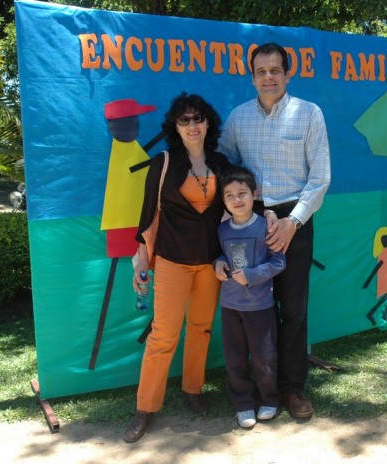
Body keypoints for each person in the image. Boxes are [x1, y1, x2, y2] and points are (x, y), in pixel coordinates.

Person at [218, 42, 331, 419]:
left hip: (294, 218)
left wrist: (292, 222)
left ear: (287, 74)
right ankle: (255, 387)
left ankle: (292, 388)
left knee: (293, 308)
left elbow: (320, 178)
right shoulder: (238, 118)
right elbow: (225, 169)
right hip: (248, 222)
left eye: (275, 70)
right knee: (250, 305)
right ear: (252, 77)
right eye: (261, 71)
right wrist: (244, 209)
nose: (268, 77)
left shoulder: (309, 114)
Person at [124, 92, 231, 444]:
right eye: (184, 120)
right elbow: (147, 216)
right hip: (172, 261)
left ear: (208, 123)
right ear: (176, 126)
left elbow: (234, 209)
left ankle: (193, 388)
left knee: (201, 328)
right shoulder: (164, 162)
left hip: (210, 262)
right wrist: (140, 262)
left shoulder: (221, 163)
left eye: (198, 118)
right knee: (163, 335)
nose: (192, 125)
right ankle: (145, 407)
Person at [213, 166, 286, 428]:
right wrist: (218, 263)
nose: (237, 200)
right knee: (234, 358)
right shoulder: (222, 230)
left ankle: (269, 399)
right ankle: (243, 404)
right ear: (223, 200)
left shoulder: (265, 227)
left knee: (264, 357)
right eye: (230, 195)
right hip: (230, 305)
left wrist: (252, 275)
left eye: (242, 193)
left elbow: (278, 262)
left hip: (260, 306)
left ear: (254, 194)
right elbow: (223, 255)